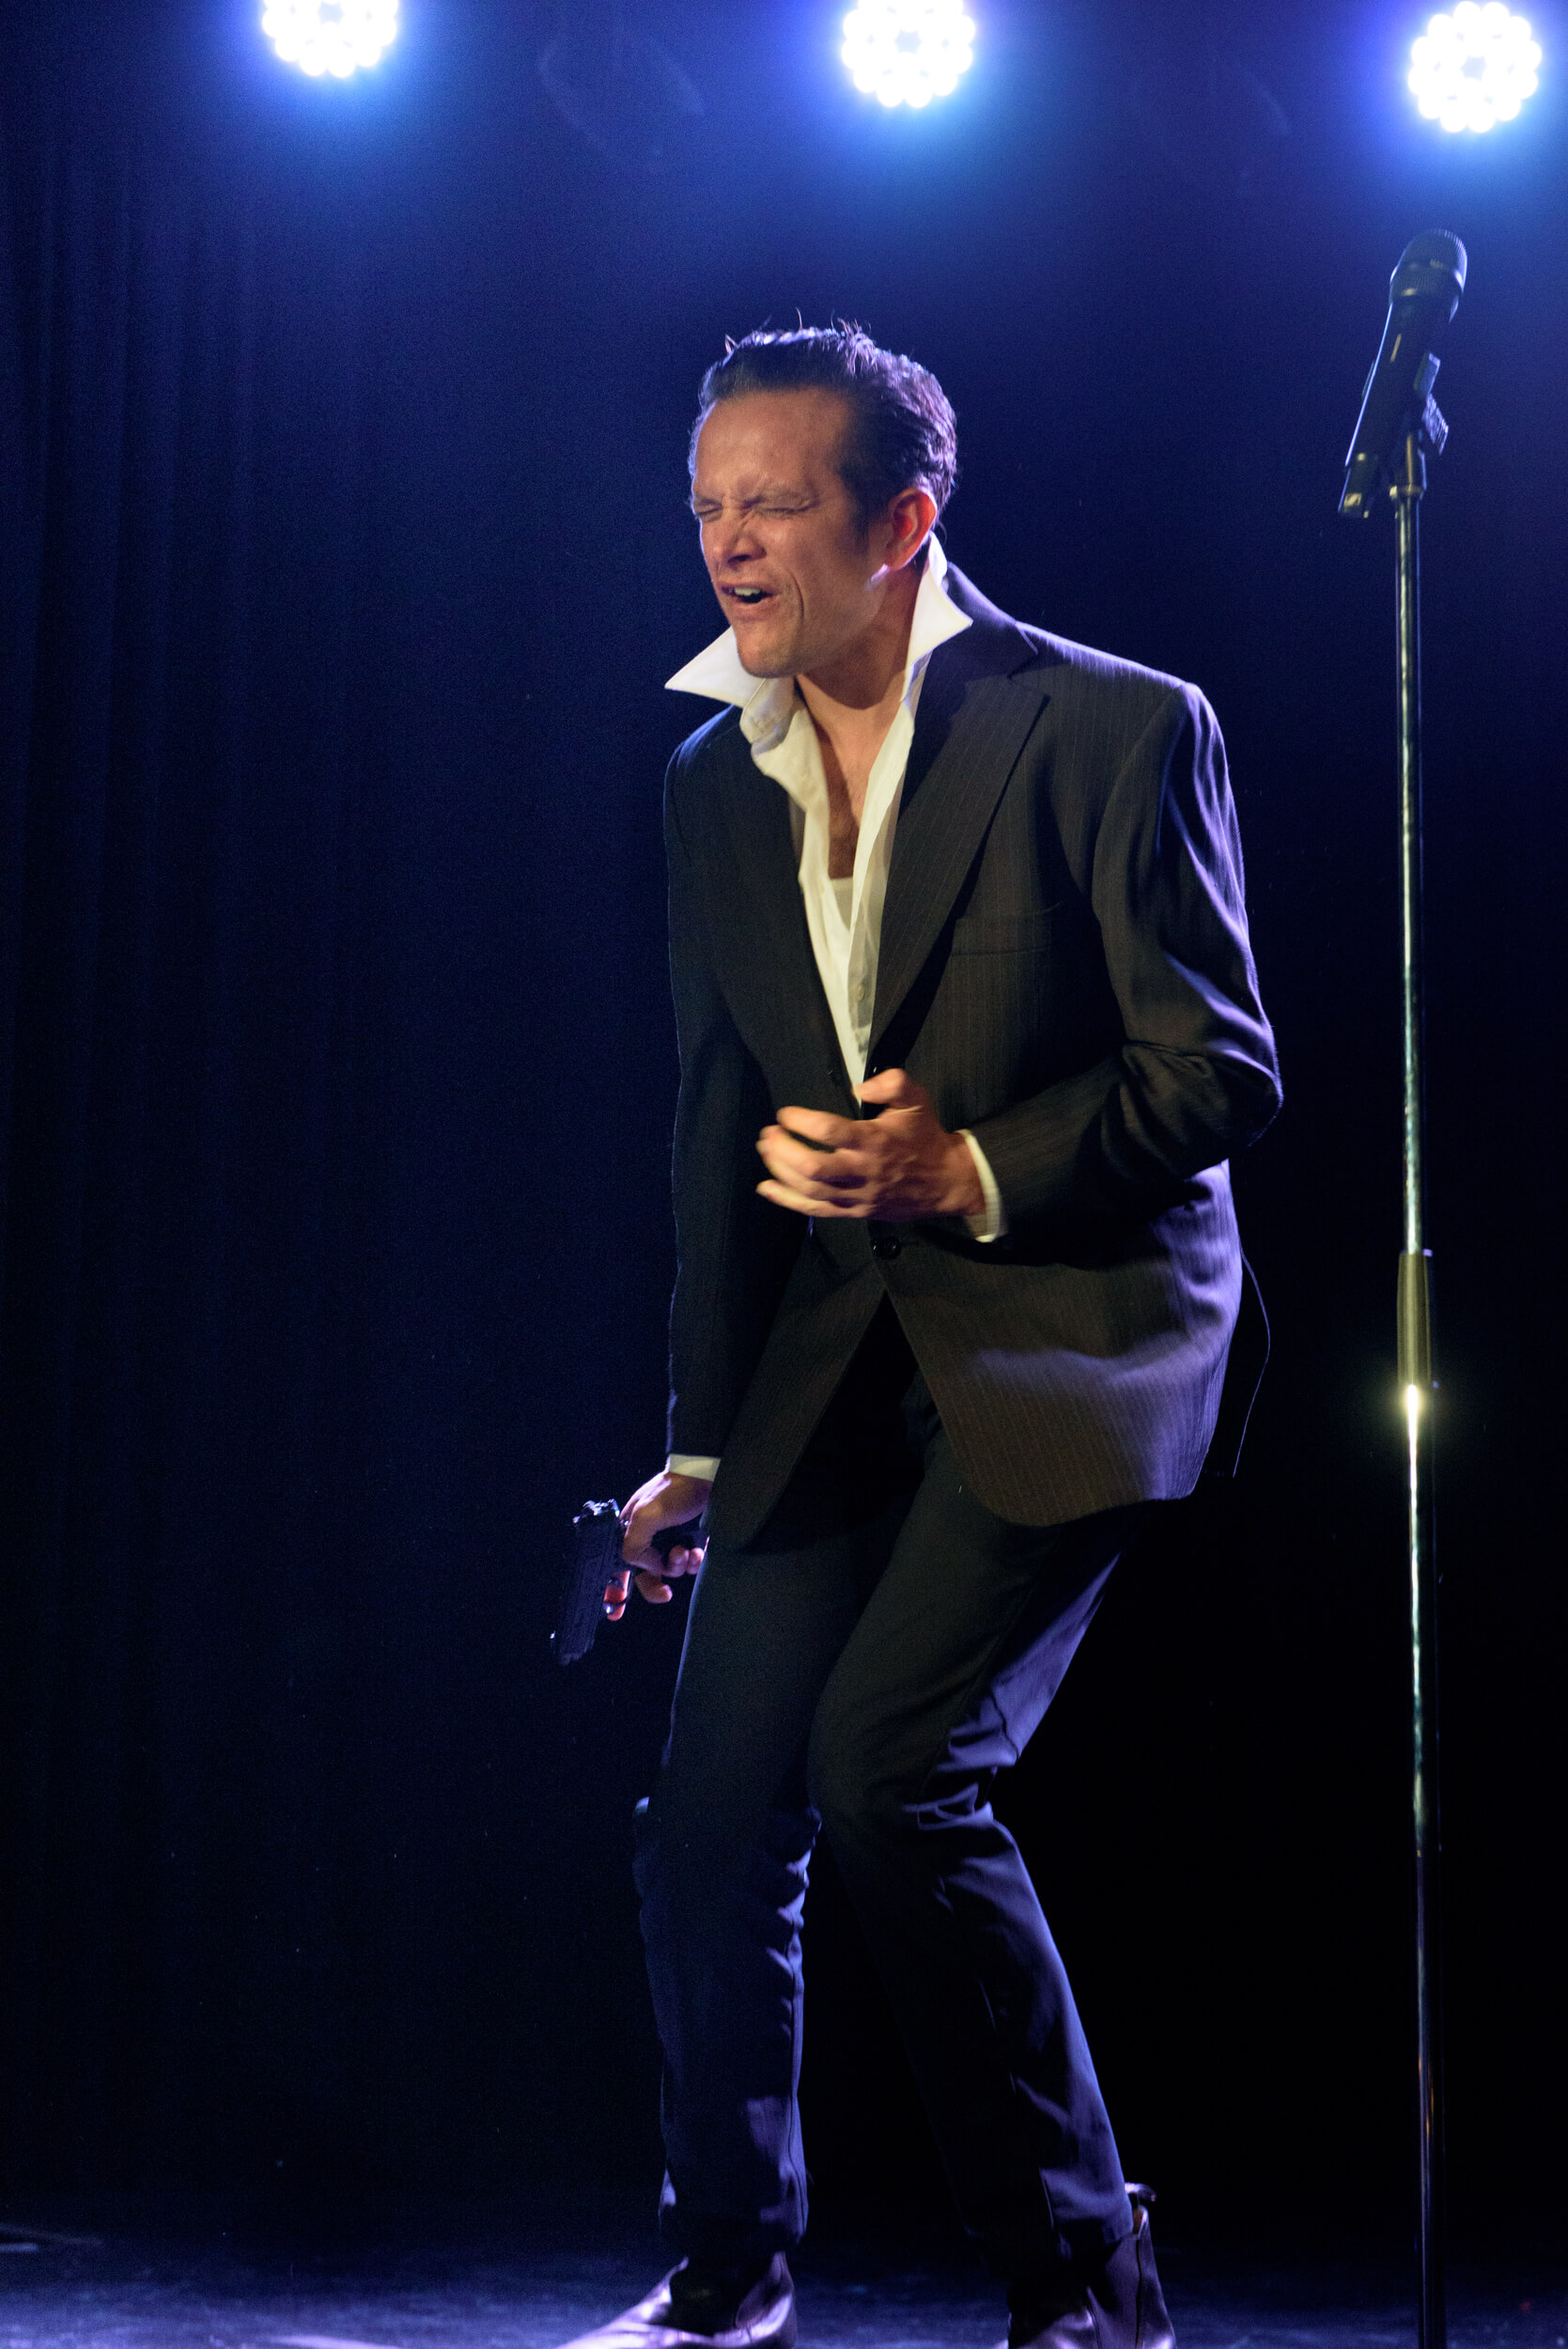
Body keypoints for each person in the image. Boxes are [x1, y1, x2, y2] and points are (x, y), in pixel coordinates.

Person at [561, 327, 1280, 2349]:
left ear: (901, 522)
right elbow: (722, 1120)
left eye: (770, 500)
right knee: (709, 1807)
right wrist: (697, 1451)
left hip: (1072, 1323)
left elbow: (1217, 1073)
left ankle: (1081, 2266)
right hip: (835, 1343)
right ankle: (730, 2258)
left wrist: (964, 1165)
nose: (725, 538)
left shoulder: (1113, 729)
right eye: (706, 501)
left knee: (891, 1767)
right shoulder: (713, 772)